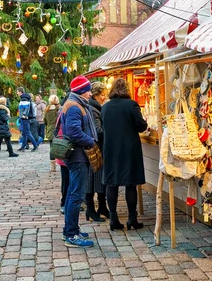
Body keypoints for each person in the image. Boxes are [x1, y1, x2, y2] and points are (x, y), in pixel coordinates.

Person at [101, 78, 148, 231]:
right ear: (126, 89)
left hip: (111, 148)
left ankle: (113, 218)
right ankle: (132, 218)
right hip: (129, 149)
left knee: (112, 182)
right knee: (130, 183)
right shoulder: (131, 105)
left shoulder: (105, 107)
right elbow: (141, 126)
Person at [61, 76, 98, 248]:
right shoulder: (75, 107)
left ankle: (70, 228)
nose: (91, 94)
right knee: (76, 196)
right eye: (88, 90)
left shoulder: (75, 104)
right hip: (78, 156)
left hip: (76, 156)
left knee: (72, 194)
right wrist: (90, 141)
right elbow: (73, 132)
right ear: (82, 91)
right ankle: (72, 235)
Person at [85, 82, 109, 222]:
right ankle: (91, 209)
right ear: (95, 94)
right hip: (94, 149)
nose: (104, 97)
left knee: (99, 179)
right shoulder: (93, 108)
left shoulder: (95, 107)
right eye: (101, 94)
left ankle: (102, 207)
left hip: (96, 148)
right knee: (92, 179)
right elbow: (97, 131)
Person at [44, 95, 60, 173]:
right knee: (61, 147)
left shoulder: (47, 110)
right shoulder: (60, 109)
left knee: (52, 149)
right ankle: (62, 165)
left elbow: (44, 121)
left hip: (50, 131)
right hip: (59, 131)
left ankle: (53, 167)